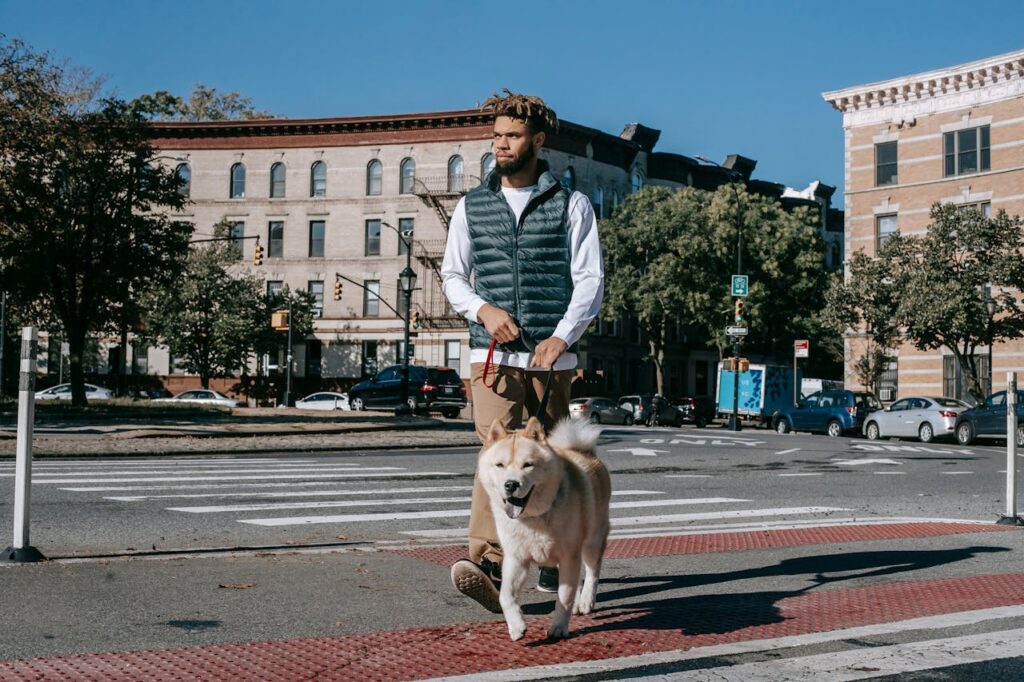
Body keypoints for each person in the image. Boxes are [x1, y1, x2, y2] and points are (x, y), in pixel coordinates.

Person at [440, 90, 604, 613]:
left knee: (547, 463)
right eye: (497, 136)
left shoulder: (571, 204)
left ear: (536, 141)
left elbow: (590, 279)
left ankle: (550, 555)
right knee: (494, 458)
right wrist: (484, 311)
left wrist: (563, 335)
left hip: (550, 359)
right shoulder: (473, 205)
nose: (501, 145)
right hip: (490, 356)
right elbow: (451, 275)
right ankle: (488, 561)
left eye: (512, 136)